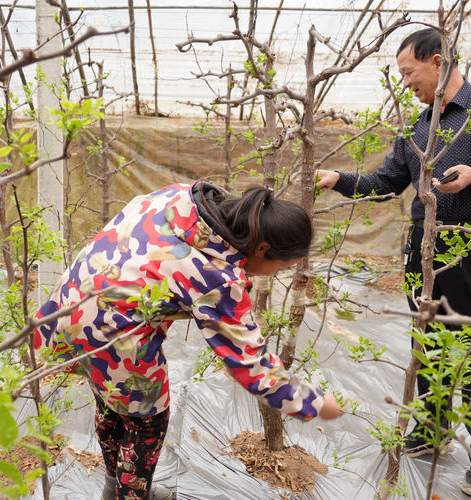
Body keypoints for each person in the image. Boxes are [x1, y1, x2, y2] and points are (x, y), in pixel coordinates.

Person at [317, 28, 471, 499]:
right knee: (432, 344)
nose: (404, 83)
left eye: (408, 72)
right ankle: (432, 427)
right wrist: (339, 178)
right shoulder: (416, 128)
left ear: (437, 61)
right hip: (424, 250)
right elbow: (386, 182)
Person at [34, 182, 342, 500]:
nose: (273, 274)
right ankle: (128, 495)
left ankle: (116, 489)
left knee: (112, 401)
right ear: (262, 248)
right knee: (146, 423)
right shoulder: (218, 277)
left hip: (70, 304)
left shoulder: (184, 198)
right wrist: (314, 402)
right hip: (114, 332)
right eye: (281, 267)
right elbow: (250, 365)